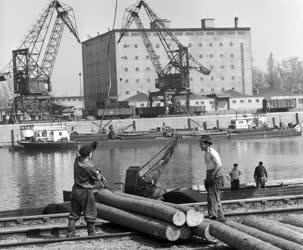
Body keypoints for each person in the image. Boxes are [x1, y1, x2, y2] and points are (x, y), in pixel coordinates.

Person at [66, 141, 106, 237]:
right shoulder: (89, 166)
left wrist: (91, 148)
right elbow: (96, 177)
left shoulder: (77, 160)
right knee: (90, 212)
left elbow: (90, 168)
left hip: (75, 190)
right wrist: (100, 175)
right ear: (89, 153)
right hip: (86, 192)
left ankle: (70, 233)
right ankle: (91, 233)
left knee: (74, 213)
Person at [200, 135, 226, 222]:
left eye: (202, 144)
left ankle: (213, 216)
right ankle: (221, 217)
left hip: (215, 176)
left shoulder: (211, 152)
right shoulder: (206, 153)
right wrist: (207, 177)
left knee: (212, 197)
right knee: (214, 197)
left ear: (207, 144)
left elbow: (219, 165)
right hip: (211, 175)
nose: (200, 145)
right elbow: (209, 167)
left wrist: (212, 175)